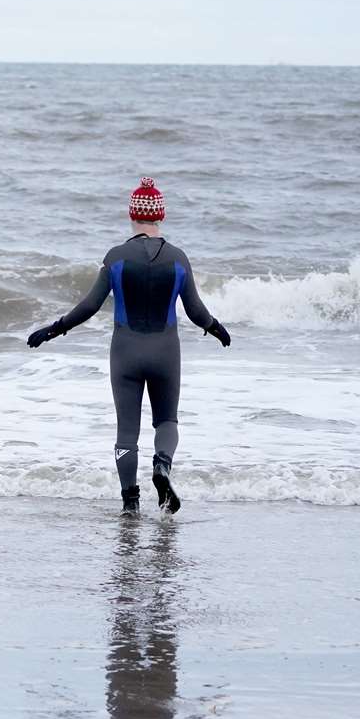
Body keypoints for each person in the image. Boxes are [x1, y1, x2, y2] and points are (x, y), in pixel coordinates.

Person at [26, 178, 230, 514]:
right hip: (166, 354)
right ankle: (162, 466)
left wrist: (53, 329)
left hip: (125, 354)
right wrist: (217, 329)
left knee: (126, 433)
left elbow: (89, 306)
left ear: (131, 215)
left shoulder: (116, 257)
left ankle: (130, 505)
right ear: (160, 216)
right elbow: (195, 311)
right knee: (167, 421)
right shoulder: (178, 258)